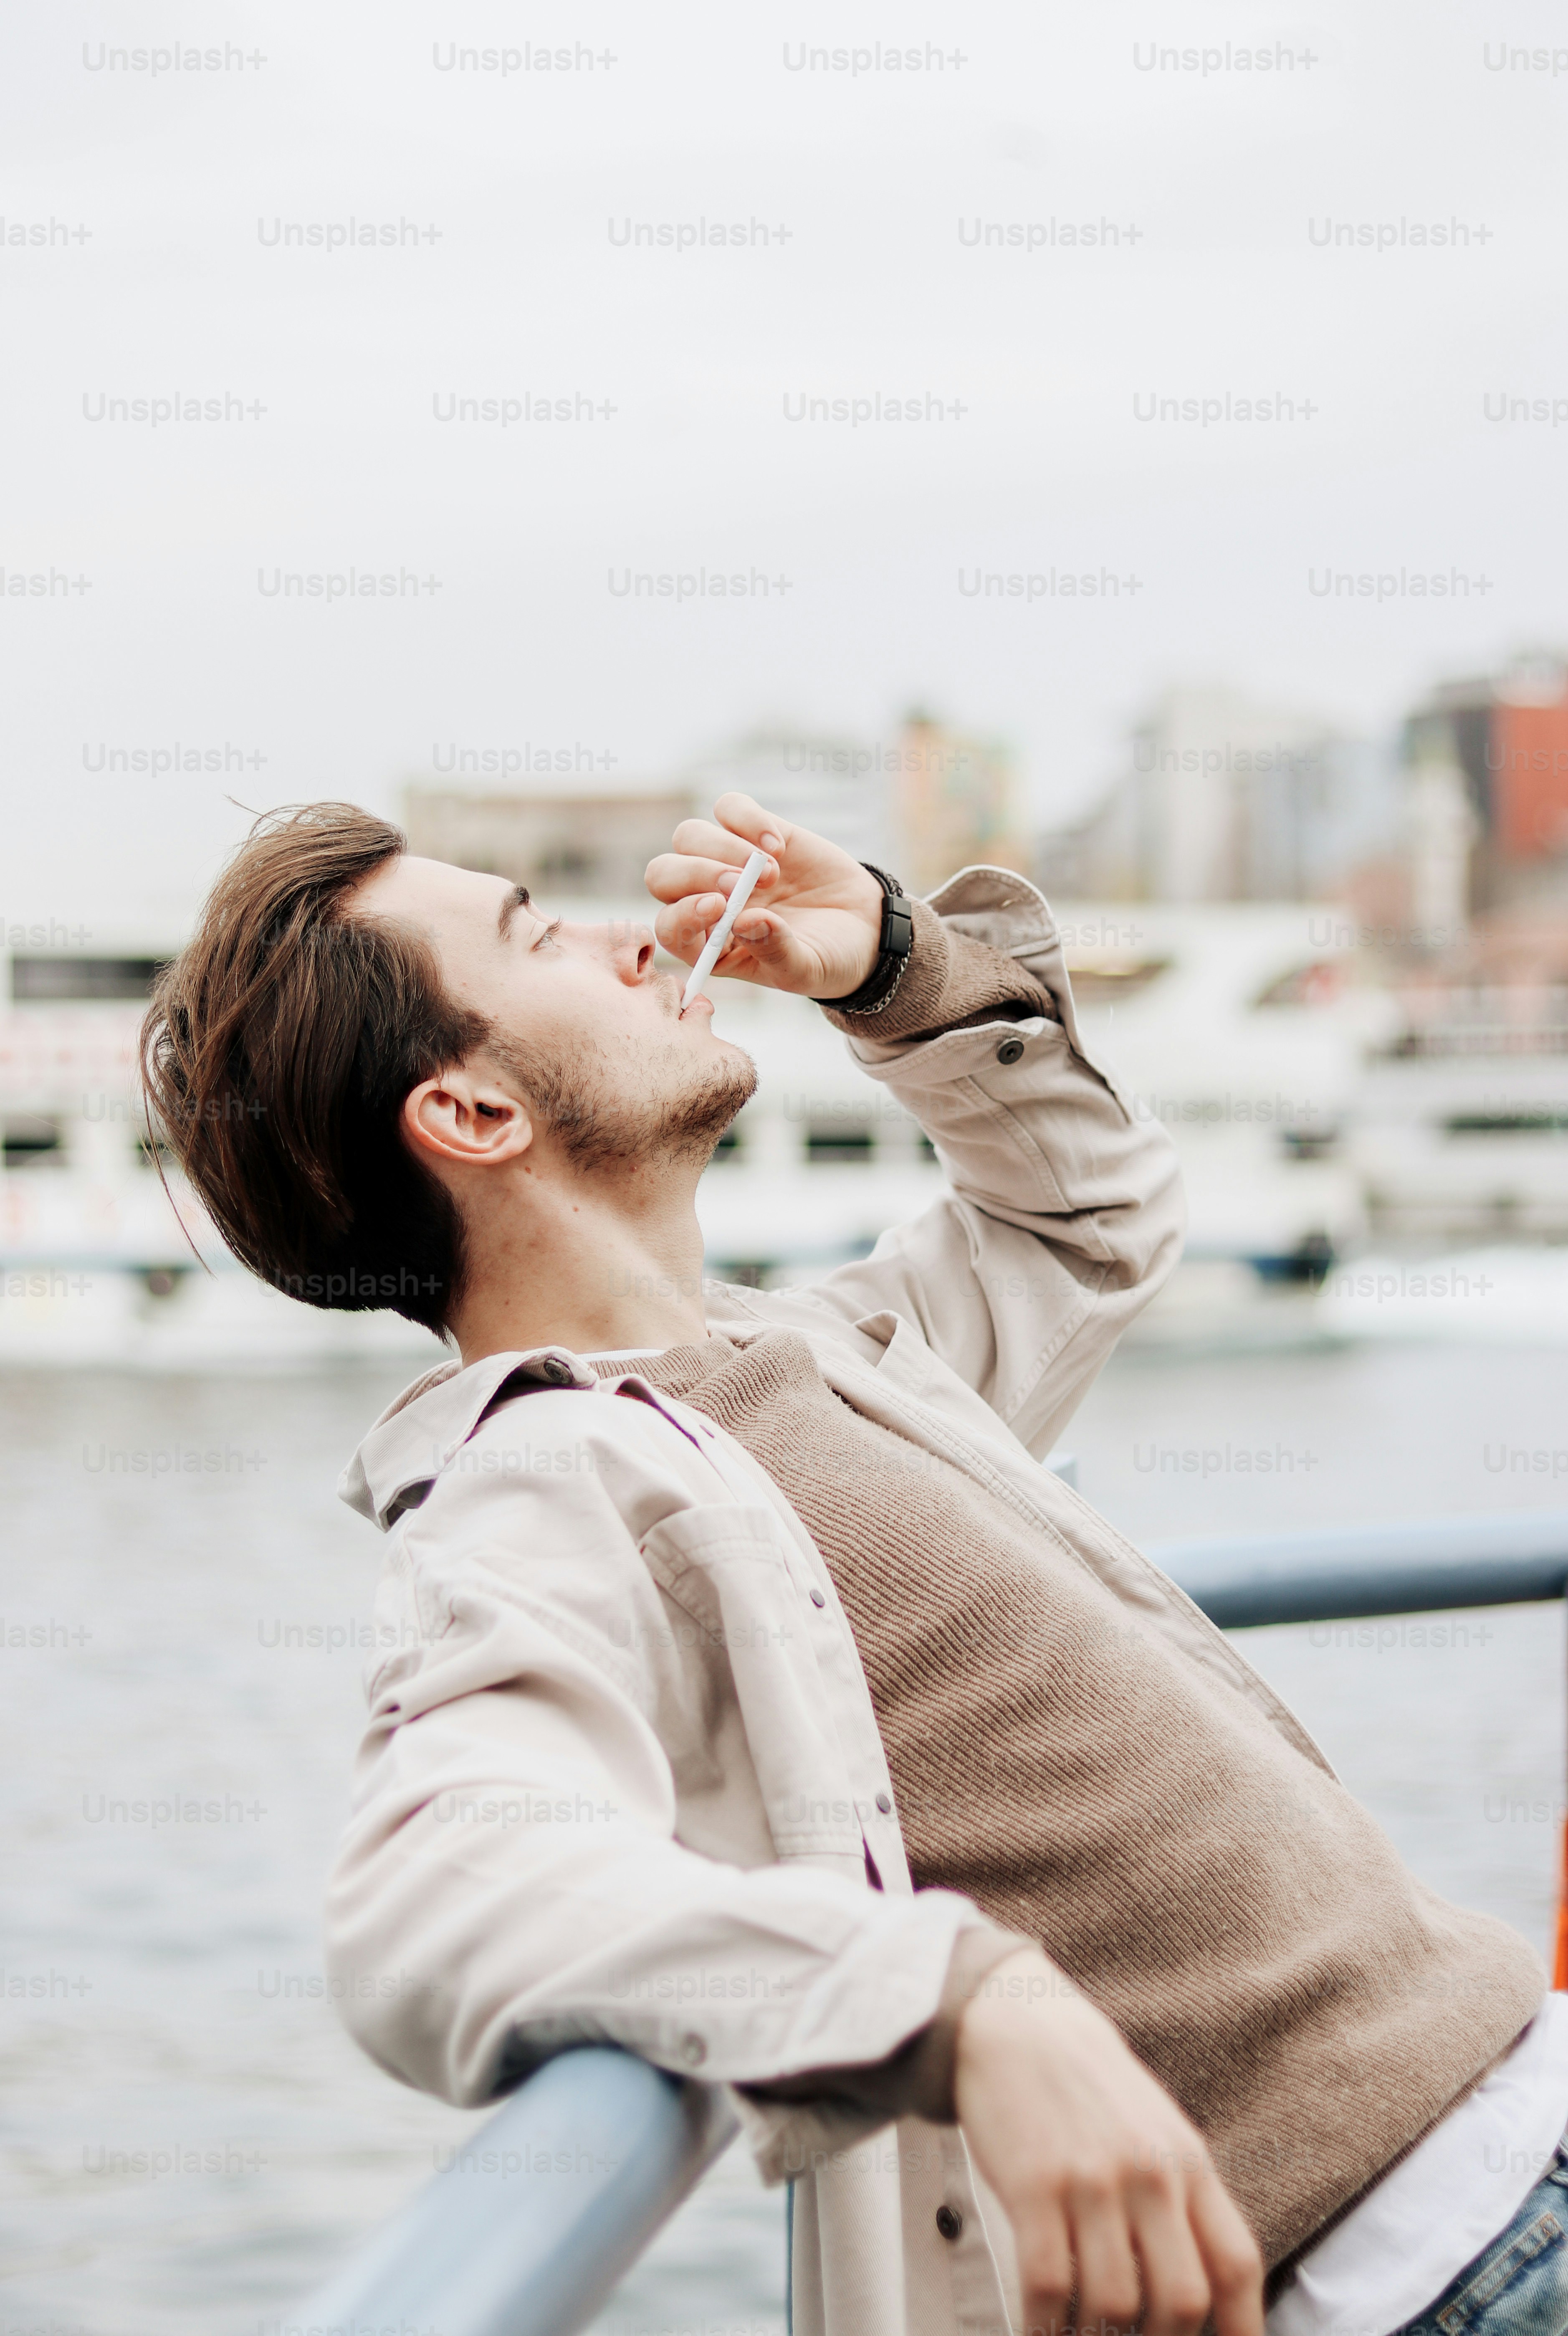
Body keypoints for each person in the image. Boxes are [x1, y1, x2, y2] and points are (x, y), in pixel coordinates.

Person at [143, 793, 1568, 2336]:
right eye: (535, 934)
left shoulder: (804, 1348)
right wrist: (960, 1995)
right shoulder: (543, 1480)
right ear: (475, 1114)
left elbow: (1090, 1218)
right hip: (1432, 2272)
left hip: (1522, 2101)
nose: (630, 939)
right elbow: (441, 1887)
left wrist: (898, 963)